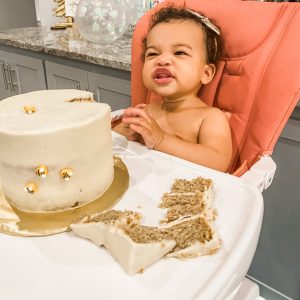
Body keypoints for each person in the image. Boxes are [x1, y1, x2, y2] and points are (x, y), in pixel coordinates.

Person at [113, 6, 232, 172]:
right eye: (153, 54)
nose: (162, 60)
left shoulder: (209, 118)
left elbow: (218, 162)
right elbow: (114, 141)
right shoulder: (148, 111)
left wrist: (160, 139)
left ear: (206, 73)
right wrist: (128, 131)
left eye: (179, 52)